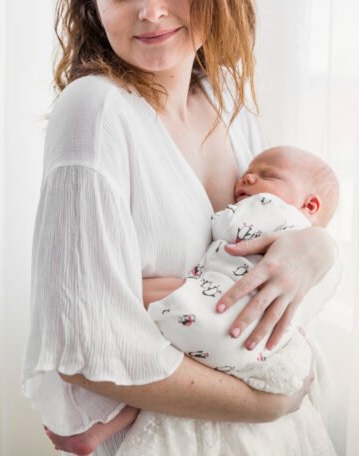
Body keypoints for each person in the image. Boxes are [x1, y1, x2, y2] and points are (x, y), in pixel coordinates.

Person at [21, 0, 341, 456]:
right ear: (94, 4)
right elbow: (86, 347)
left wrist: (317, 252)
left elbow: (274, 252)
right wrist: (272, 401)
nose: (151, 11)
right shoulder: (94, 112)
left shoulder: (227, 103)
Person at [43, 145, 339, 455]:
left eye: (268, 175)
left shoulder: (275, 210)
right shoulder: (305, 244)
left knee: (132, 296)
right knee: (168, 373)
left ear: (310, 204)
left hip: (224, 311)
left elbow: (228, 227)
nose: (248, 177)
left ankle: (95, 429)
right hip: (251, 340)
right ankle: (98, 431)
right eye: (249, 172)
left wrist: (220, 213)